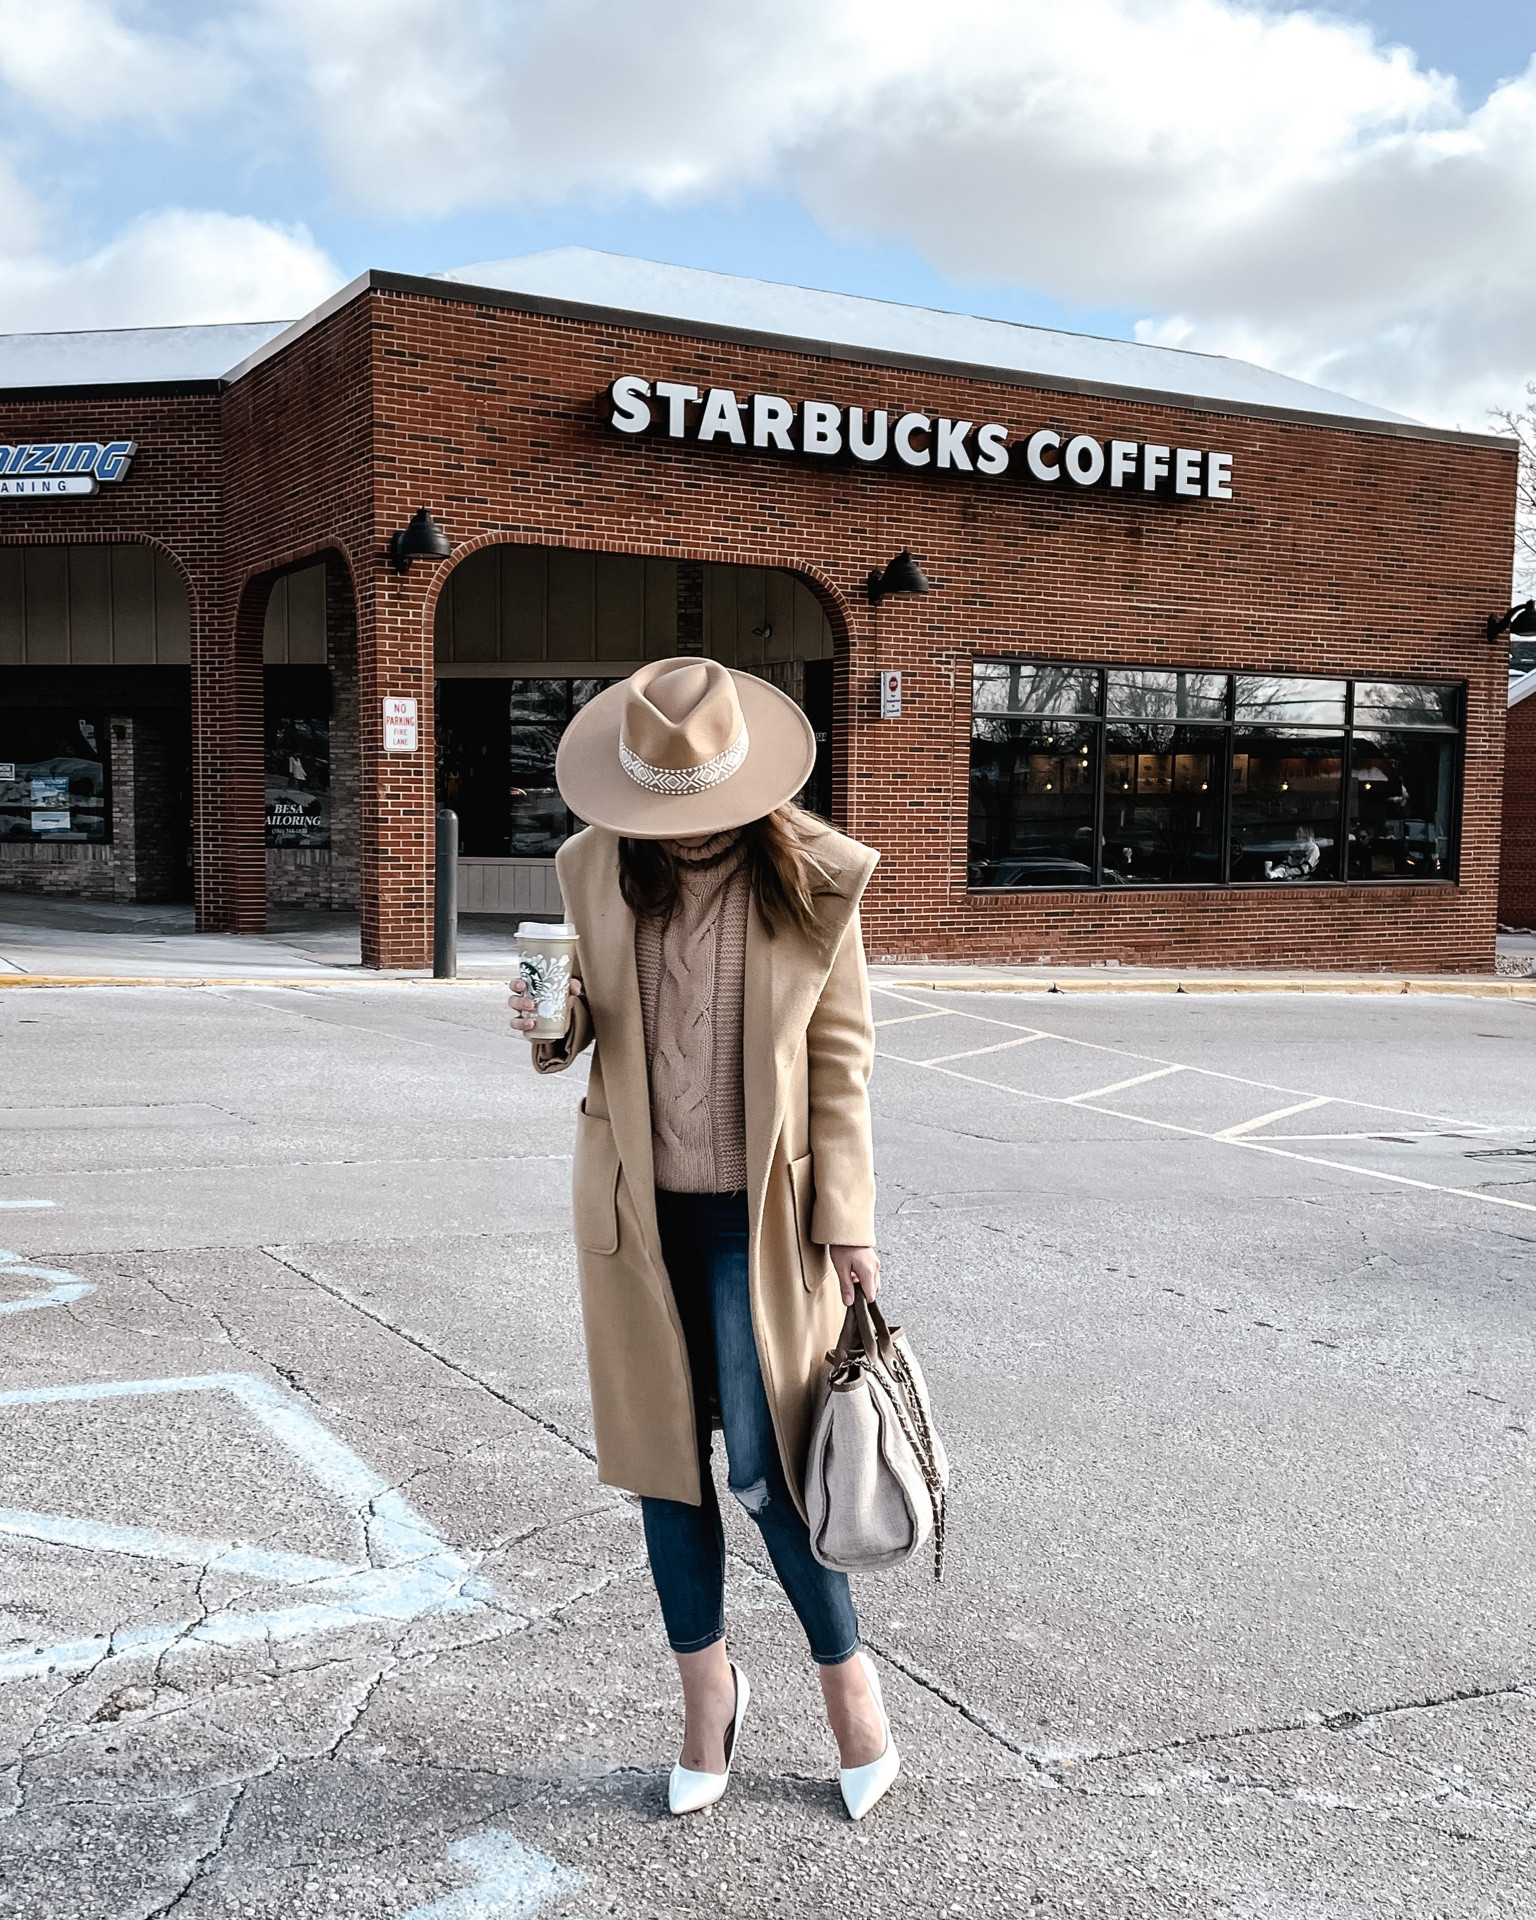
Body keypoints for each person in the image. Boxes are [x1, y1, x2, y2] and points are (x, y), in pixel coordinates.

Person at [509, 656, 898, 1821]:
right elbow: (579, 1033)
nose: (676, 829)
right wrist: (546, 1017)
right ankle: (705, 1695)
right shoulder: (590, 868)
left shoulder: (817, 877)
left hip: (761, 1217)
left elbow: (841, 1064)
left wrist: (852, 1225)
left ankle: (850, 1694)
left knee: (772, 1471)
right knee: (661, 1473)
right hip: (637, 1211)